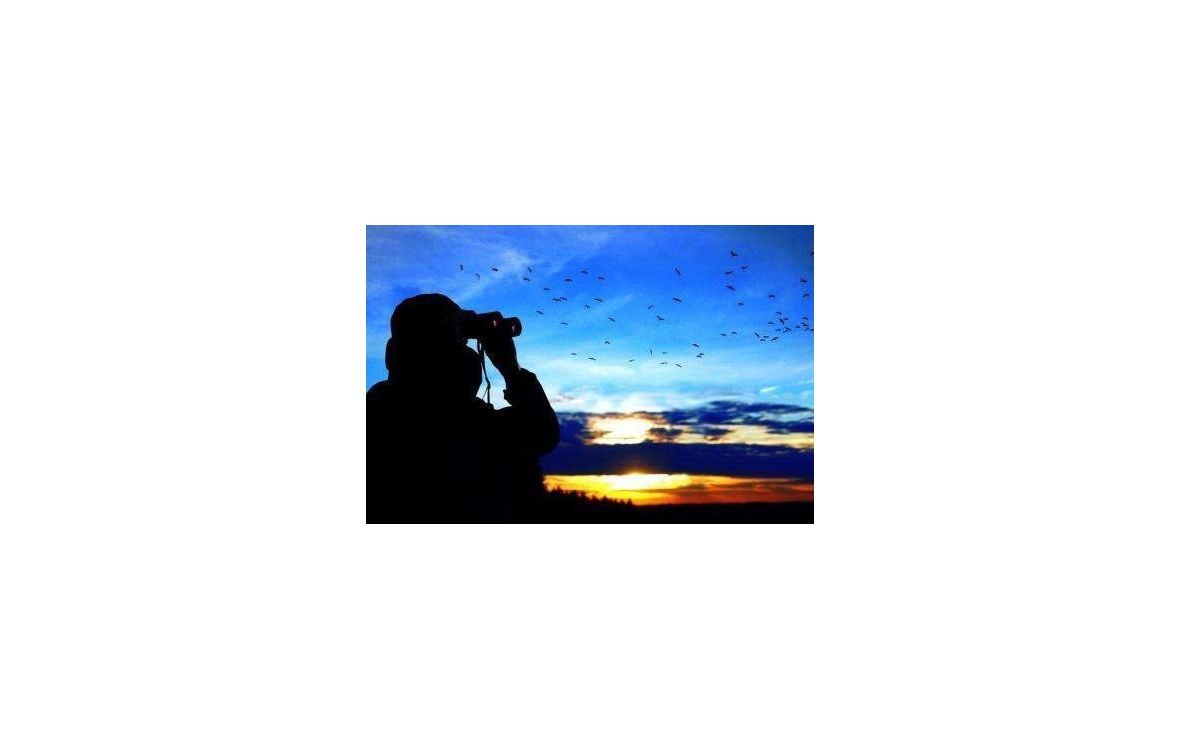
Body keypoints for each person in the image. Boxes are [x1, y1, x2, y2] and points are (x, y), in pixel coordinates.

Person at [366, 293, 561, 522]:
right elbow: (542, 433)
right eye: (455, 336)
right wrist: (510, 368)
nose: (464, 348)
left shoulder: (376, 411)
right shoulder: (466, 422)